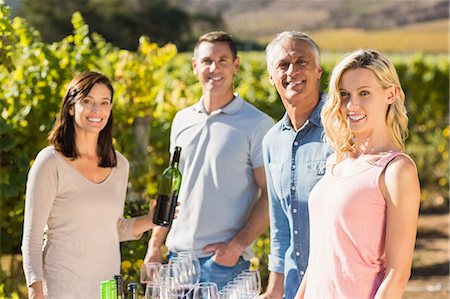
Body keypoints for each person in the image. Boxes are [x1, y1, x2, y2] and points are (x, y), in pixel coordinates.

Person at [143, 31, 274, 289]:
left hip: (224, 265)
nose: (214, 68)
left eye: (223, 61)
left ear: (235, 66)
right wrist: (154, 245)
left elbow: (271, 194)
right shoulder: (182, 120)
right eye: (206, 61)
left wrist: (235, 248)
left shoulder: (257, 124)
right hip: (176, 261)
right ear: (195, 66)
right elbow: (172, 190)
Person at [295, 49, 421, 298]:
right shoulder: (336, 162)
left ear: (390, 94)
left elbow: (397, 274)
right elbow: (319, 259)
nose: (351, 105)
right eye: (344, 95)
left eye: (364, 93)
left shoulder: (396, 170)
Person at [21, 71, 156, 299]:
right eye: (88, 101)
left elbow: (108, 228)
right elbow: (32, 238)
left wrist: (151, 220)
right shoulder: (51, 162)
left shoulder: (119, 165)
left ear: (110, 109)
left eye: (104, 103)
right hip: (61, 290)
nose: (97, 110)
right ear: (71, 107)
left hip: (107, 290)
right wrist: (36, 292)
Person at [260, 31, 332, 299]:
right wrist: (274, 290)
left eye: (302, 62)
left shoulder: (342, 129)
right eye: (283, 65)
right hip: (293, 286)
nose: (292, 71)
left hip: (337, 285)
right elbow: (280, 227)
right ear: (271, 77)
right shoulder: (271, 142)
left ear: (318, 72)